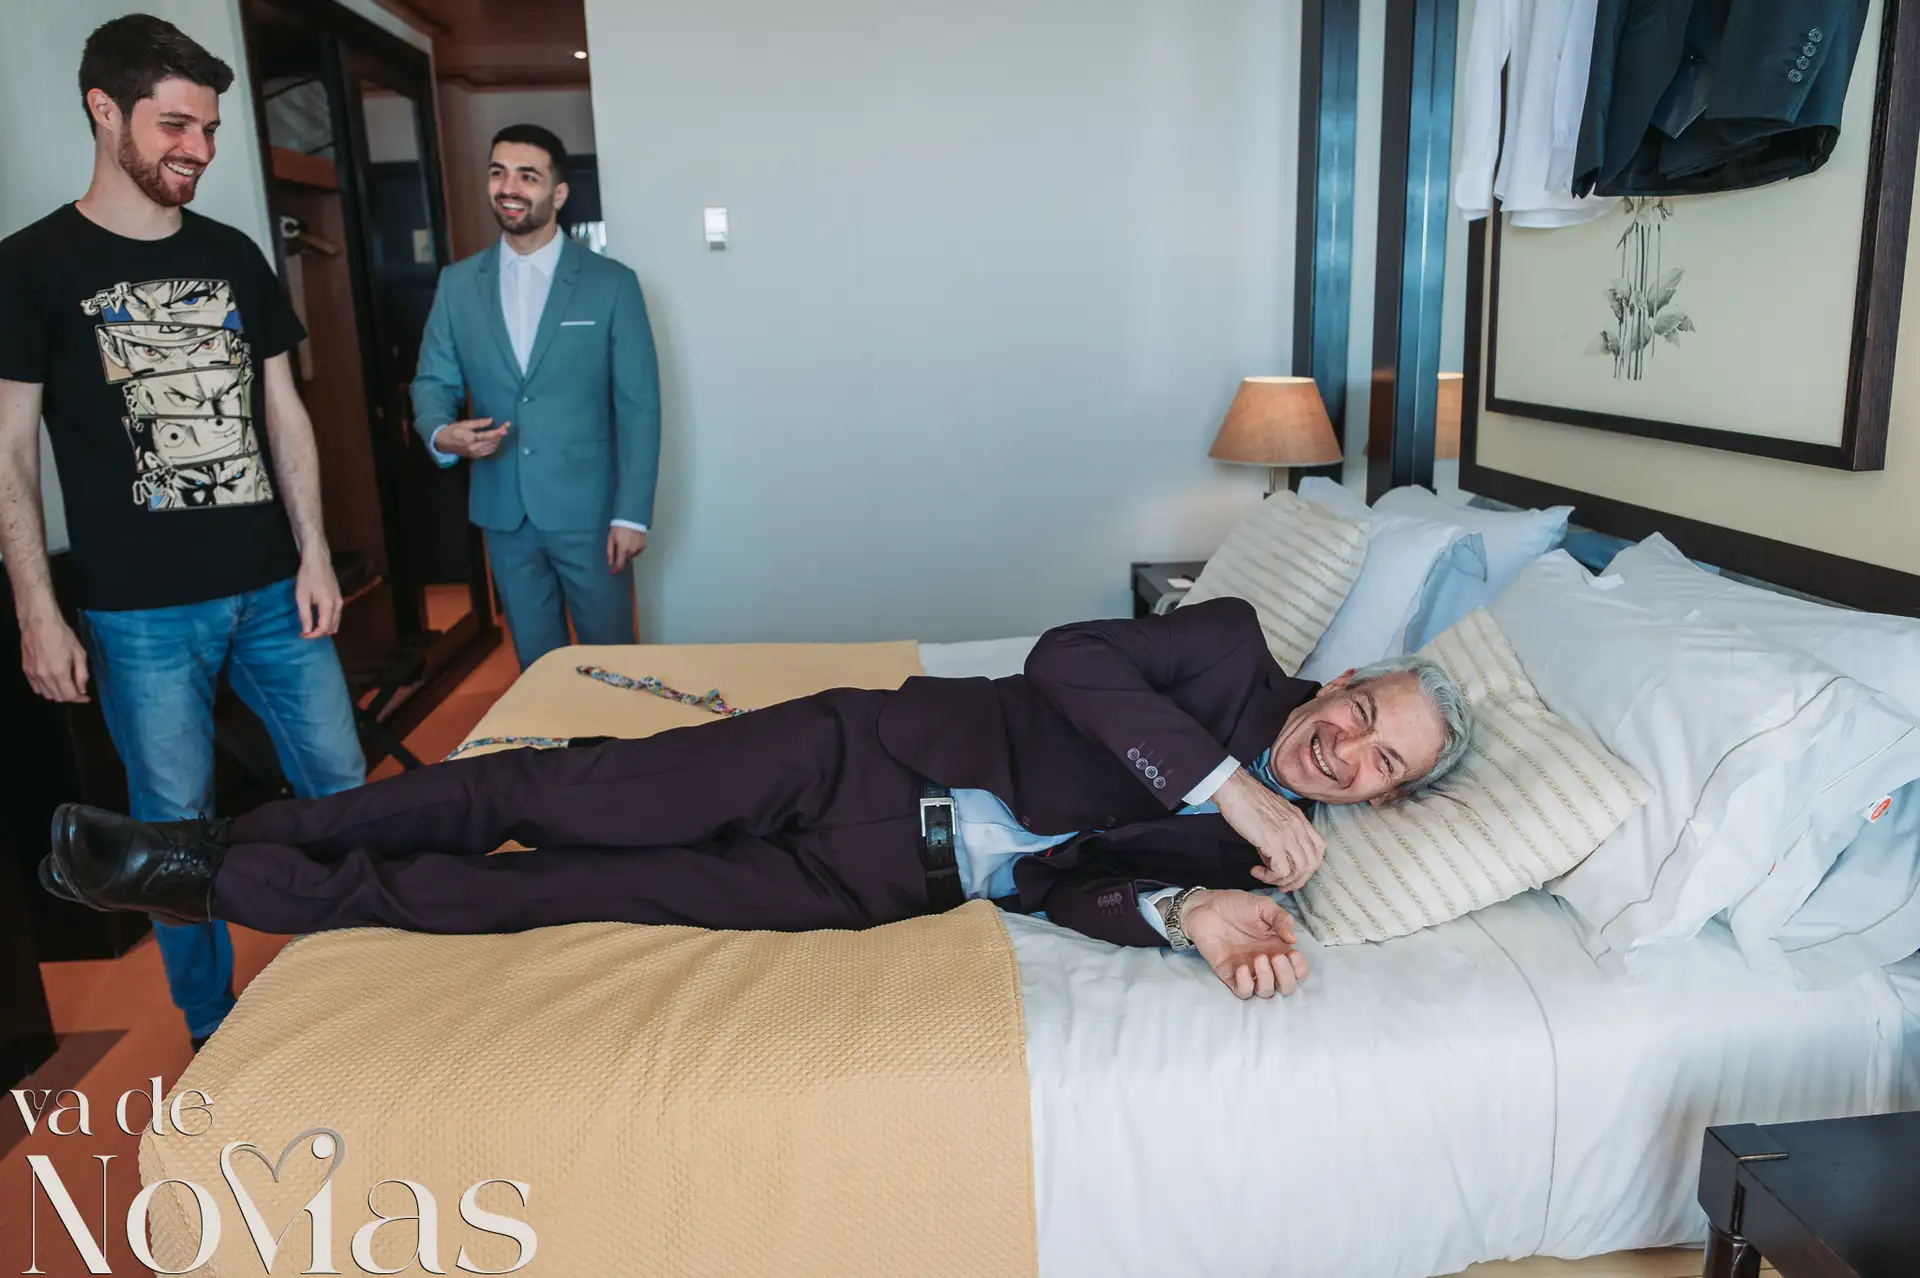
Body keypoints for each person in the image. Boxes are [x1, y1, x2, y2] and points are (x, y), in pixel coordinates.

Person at [42, 598, 1474, 1000]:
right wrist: (1225, 785)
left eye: (1384, 765)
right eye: (1362, 717)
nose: (1349, 753)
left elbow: (1068, 881)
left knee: (554, 890)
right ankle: (213, 833)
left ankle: (210, 883)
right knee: (549, 788)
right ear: (1345, 679)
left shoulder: (1276, 861)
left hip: (876, 886)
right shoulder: (1223, 647)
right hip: (863, 754)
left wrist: (1181, 911)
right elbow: (1066, 662)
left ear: (1391, 801)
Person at [0, 15, 365, 1048]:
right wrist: (37, 611)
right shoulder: (30, 267)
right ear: (104, 110)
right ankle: (213, 1026)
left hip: (274, 589)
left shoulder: (232, 254)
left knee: (343, 789)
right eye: (174, 126)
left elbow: (282, 412)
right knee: (171, 837)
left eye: (208, 129)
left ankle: (373, 971)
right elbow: (9, 451)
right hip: (140, 613)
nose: (197, 149)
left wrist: (313, 552)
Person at [411, 123, 661, 669]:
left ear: (558, 193)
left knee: (615, 666)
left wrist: (632, 514)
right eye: (498, 173)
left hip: (592, 514)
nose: (509, 187)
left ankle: (617, 733)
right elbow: (432, 381)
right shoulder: (457, 284)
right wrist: (441, 432)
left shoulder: (611, 283)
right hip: (503, 512)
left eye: (528, 176)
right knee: (537, 667)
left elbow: (639, 406)